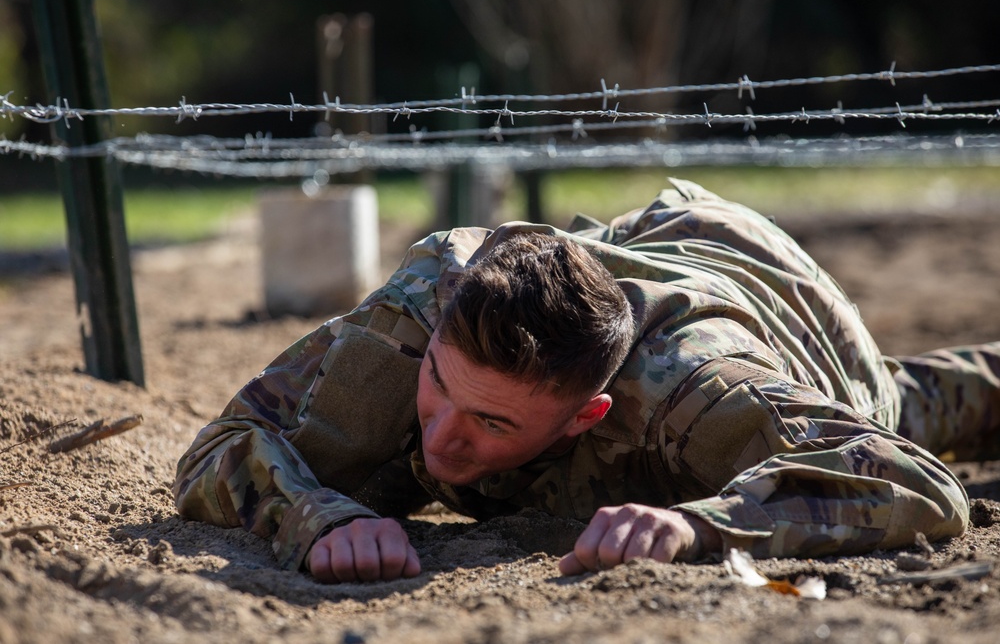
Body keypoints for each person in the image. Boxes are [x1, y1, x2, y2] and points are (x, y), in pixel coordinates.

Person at [173, 178, 998, 584]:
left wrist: (700, 526)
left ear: (585, 416)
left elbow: (908, 477)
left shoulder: (687, 387)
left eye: (493, 423)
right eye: (438, 386)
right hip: (604, 258)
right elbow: (224, 443)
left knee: (906, 404)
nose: (441, 436)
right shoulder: (425, 313)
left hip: (774, 293)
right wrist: (317, 515)